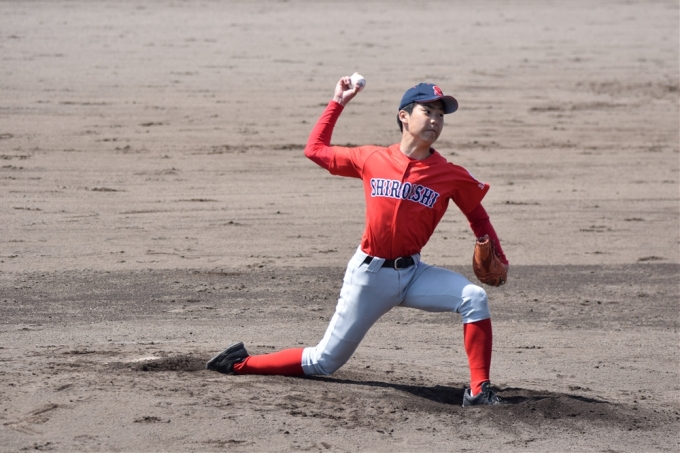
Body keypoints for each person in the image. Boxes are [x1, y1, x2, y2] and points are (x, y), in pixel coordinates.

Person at [207, 76, 509, 406]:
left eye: (440, 115)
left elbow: (478, 217)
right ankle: (239, 363)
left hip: (414, 275)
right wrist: (338, 101)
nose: (435, 120)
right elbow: (315, 150)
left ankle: (479, 391)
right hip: (369, 277)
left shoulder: (449, 174)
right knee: (324, 361)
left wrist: (500, 257)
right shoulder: (371, 158)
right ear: (404, 116)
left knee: (473, 298)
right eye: (428, 111)